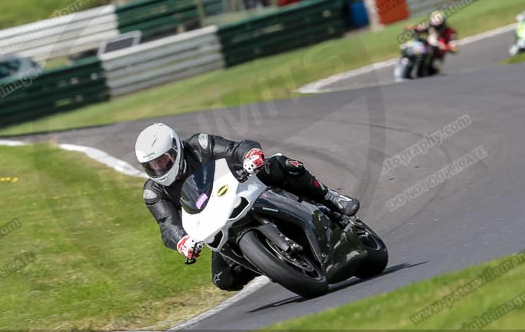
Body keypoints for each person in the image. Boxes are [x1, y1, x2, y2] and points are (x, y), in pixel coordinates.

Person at [134, 123, 359, 291]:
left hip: (243, 190)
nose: (159, 168)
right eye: (151, 165)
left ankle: (331, 197)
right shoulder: (154, 191)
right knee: (223, 279)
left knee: (278, 166)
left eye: (162, 160)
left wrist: (249, 156)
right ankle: (274, 263)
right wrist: (182, 242)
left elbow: (235, 149)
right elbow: (167, 225)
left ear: (175, 149)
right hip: (217, 225)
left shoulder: (199, 145)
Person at [406, 10, 458, 76]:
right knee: (409, 45)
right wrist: (412, 28)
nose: (437, 28)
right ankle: (406, 63)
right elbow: (418, 28)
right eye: (435, 26)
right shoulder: (430, 27)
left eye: (439, 26)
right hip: (425, 49)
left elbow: (454, 48)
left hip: (437, 57)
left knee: (437, 70)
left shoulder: (450, 33)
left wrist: (443, 46)